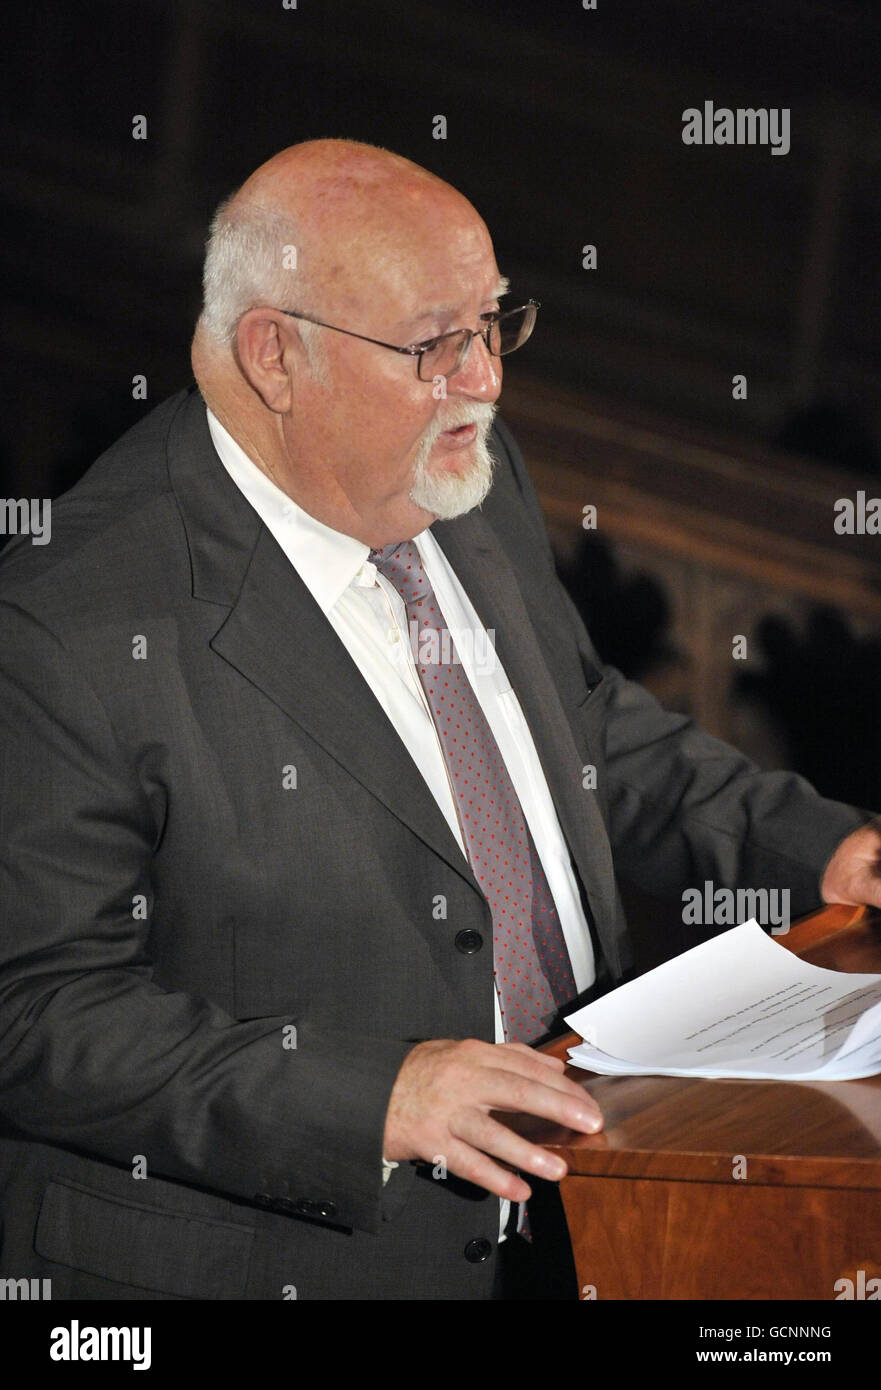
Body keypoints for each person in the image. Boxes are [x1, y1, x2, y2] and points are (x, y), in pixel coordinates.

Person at [0, 139, 877, 1302]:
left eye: (493, 324)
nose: (484, 380)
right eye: (434, 345)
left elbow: (573, 725)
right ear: (275, 355)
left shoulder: (463, 467)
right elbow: (36, 1012)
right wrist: (378, 1098)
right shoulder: (66, 622)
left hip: (581, 1213)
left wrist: (810, 846)